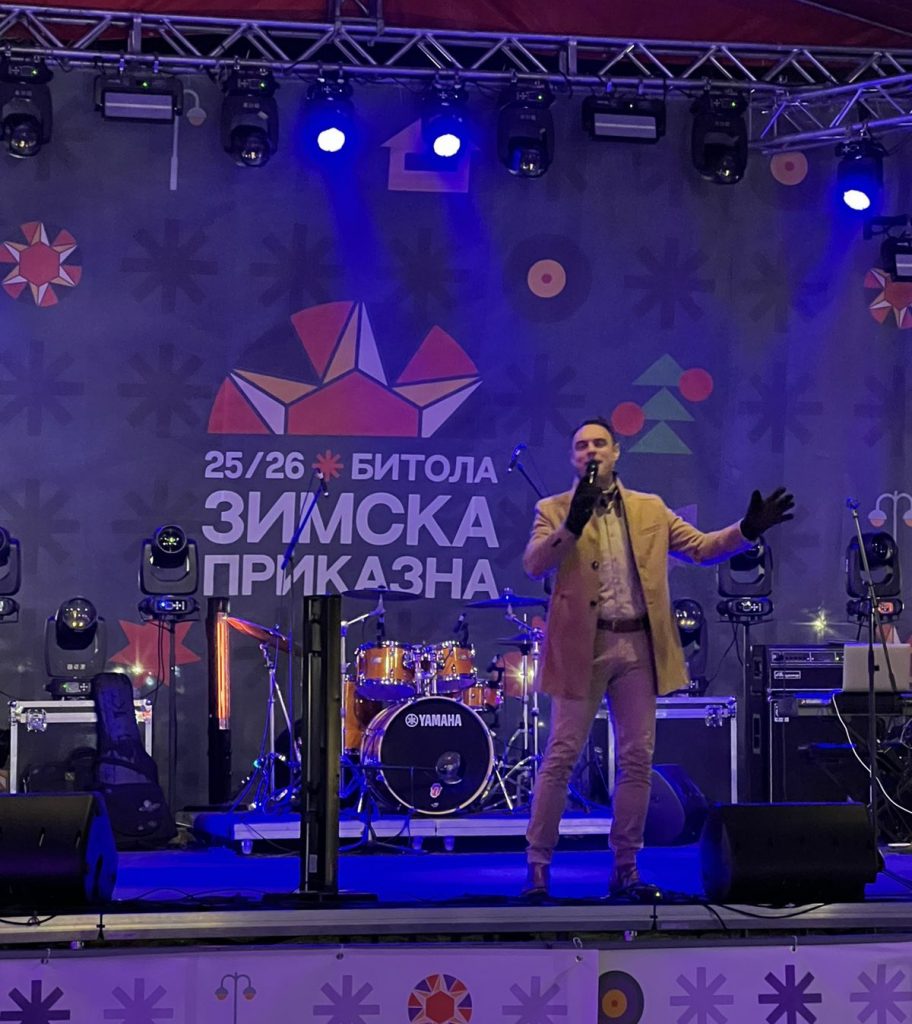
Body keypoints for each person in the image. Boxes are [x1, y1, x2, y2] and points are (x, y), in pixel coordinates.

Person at [521, 417, 794, 899]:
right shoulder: (554, 509)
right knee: (561, 757)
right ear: (573, 458)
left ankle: (626, 868)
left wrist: (747, 529)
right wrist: (571, 525)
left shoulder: (650, 508)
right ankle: (538, 868)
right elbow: (534, 564)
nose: (591, 451)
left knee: (636, 759)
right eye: (582, 446)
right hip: (582, 648)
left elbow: (701, 549)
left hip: (636, 647)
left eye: (599, 443)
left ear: (616, 452)